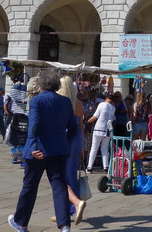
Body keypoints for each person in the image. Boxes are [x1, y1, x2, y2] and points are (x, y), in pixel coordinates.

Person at [8, 71, 77, 232]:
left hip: (39, 150)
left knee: (30, 186)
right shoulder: (66, 101)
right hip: (59, 150)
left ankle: (21, 223)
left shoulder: (37, 100)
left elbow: (34, 124)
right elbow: (73, 128)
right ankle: (64, 225)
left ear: (40, 85)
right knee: (59, 186)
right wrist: (65, 144)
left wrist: (32, 147)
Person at [55, 76, 87, 226]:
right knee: (71, 173)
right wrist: (82, 146)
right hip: (76, 139)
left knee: (61, 176)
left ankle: (72, 206)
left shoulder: (59, 102)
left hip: (64, 139)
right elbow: (81, 126)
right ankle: (68, 210)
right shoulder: (78, 103)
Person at [86, 93, 115, 173]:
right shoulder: (113, 108)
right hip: (108, 130)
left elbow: (95, 116)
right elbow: (112, 119)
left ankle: (89, 167)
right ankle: (106, 167)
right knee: (104, 148)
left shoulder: (102, 104)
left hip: (98, 129)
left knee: (94, 148)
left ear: (106, 98)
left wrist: (87, 121)